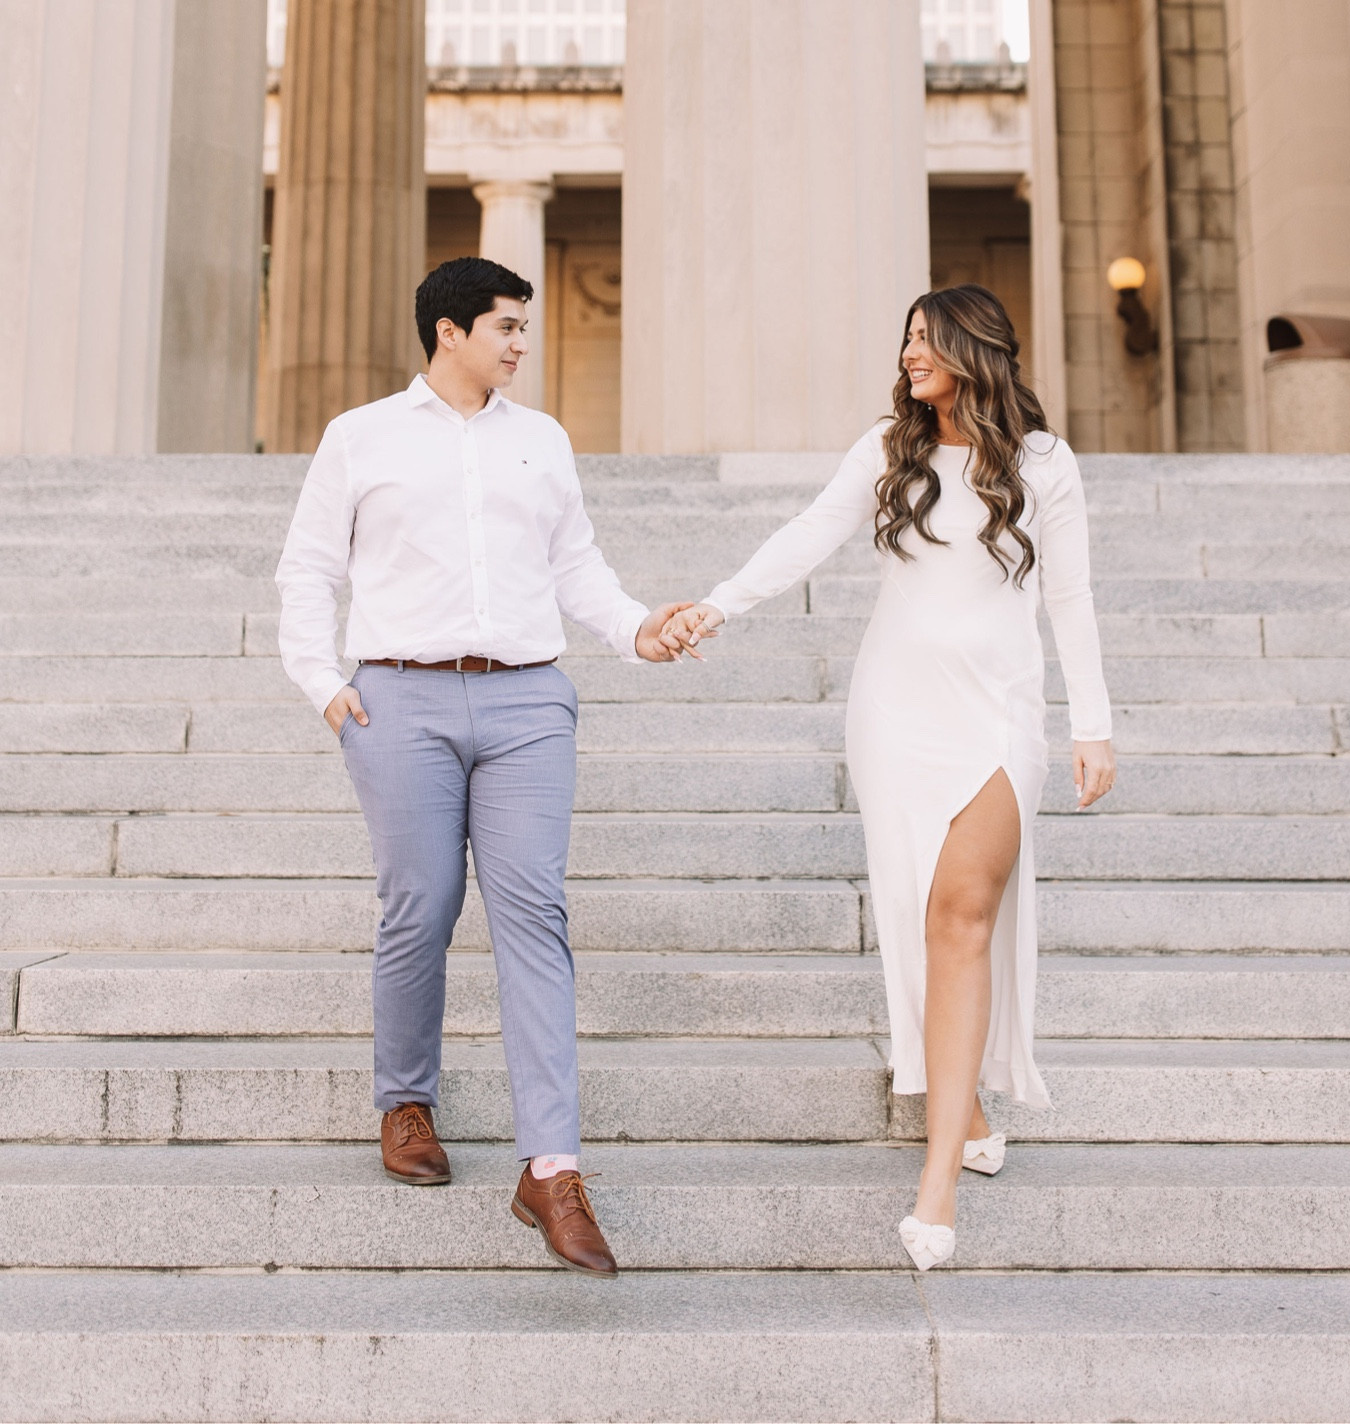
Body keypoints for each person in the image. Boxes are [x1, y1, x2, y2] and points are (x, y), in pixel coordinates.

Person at [668, 283, 1116, 1271]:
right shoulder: (886, 450)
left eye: (927, 339)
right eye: (907, 338)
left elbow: (1072, 596)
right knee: (922, 916)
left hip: (997, 715)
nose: (911, 353)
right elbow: (805, 536)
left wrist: (1093, 724)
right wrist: (716, 605)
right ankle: (963, 1109)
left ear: (975, 349)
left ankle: (937, 1180)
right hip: (895, 712)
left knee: (961, 915)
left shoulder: (1044, 462)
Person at [276, 256, 697, 1279]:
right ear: (450, 331)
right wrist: (324, 683)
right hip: (400, 700)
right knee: (418, 905)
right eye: (506, 326)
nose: (521, 342)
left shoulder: (541, 439)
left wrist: (634, 628)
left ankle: (552, 1169)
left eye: (523, 325)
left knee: (534, 915)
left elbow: (574, 566)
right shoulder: (361, 435)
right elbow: (309, 567)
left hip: (527, 702)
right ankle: (405, 1101)